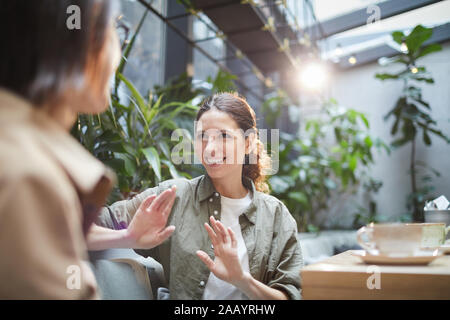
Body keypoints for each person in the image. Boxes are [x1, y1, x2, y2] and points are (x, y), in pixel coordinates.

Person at [0, 0, 176, 299]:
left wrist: (128, 236)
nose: (119, 52)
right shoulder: (30, 175)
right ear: (75, 43)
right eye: (115, 30)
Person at [97, 92, 303, 300]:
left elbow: (290, 295)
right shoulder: (173, 198)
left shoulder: (275, 215)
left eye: (224, 136)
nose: (210, 149)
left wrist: (241, 279)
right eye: (203, 137)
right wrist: (127, 237)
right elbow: (90, 222)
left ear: (248, 143)